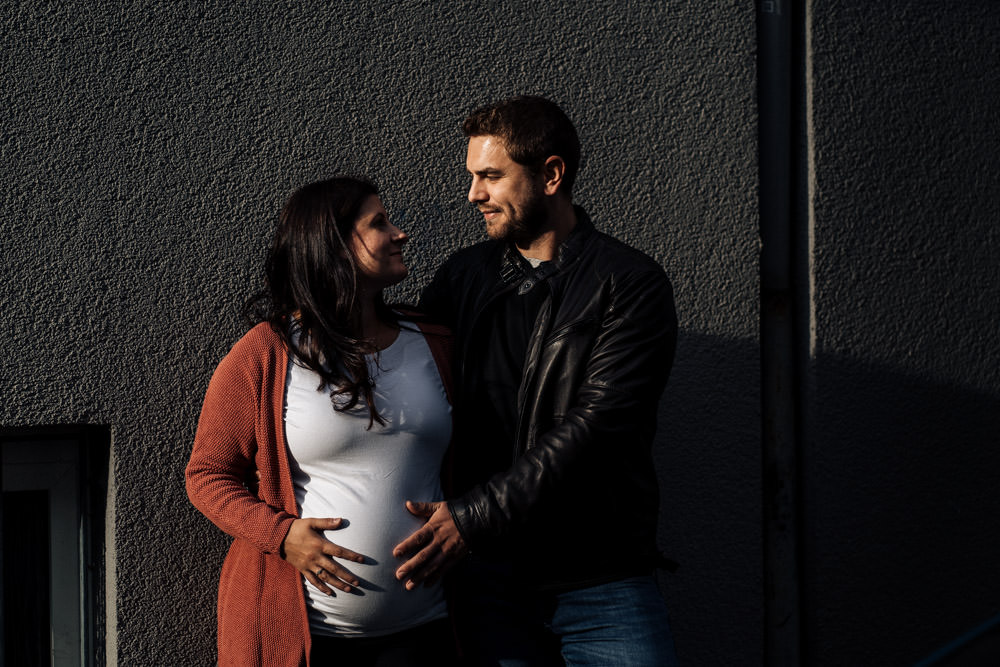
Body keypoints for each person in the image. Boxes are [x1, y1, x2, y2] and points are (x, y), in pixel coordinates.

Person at [392, 96, 680, 665]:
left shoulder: (629, 283)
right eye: (473, 176)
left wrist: (471, 518)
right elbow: (406, 376)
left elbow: (600, 425)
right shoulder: (464, 276)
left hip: (600, 577)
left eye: (491, 176)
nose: (474, 194)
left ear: (551, 175)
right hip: (486, 580)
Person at [186, 176, 458, 667]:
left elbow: (487, 454)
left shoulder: (436, 343)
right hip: (308, 640)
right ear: (332, 246)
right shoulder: (268, 353)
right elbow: (207, 475)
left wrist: (464, 515)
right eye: (379, 223)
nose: (400, 234)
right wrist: (281, 535)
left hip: (427, 632)